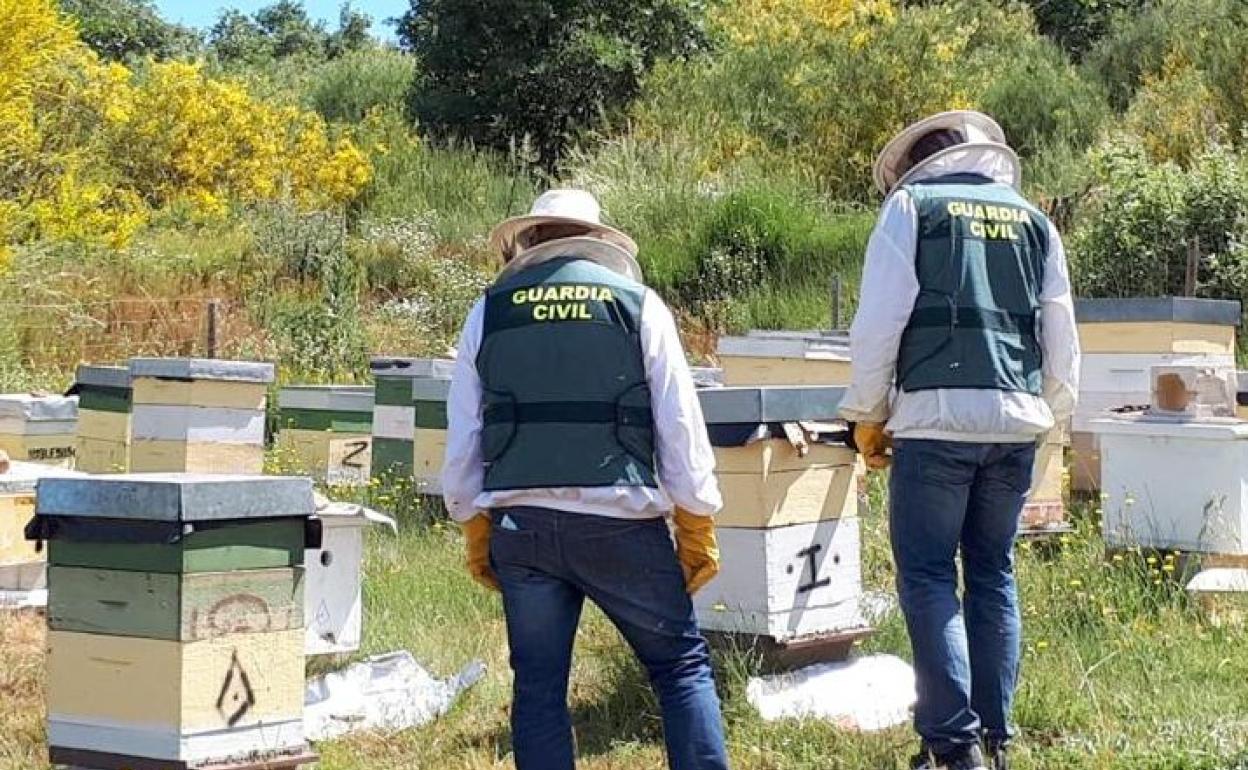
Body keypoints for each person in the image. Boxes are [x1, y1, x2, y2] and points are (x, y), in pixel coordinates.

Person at [442, 189, 731, 770]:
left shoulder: (488, 312)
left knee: (539, 688)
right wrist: (696, 516)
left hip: (521, 530)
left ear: (528, 242)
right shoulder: (638, 303)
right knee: (679, 668)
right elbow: (680, 422)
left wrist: (471, 519)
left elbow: (464, 434)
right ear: (597, 242)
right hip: (621, 527)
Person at [839, 111, 1080, 770]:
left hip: (934, 421)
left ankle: (953, 745)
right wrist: (1049, 413)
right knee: (994, 573)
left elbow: (879, 321)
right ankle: (997, 740)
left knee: (926, 575)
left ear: (917, 162)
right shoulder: (1034, 220)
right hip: (1018, 422)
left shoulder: (913, 207)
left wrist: (867, 411)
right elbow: (1060, 334)